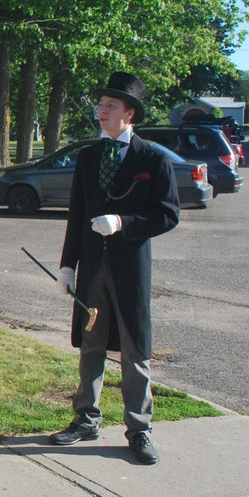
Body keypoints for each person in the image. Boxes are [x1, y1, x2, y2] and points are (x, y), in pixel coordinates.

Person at [51, 72, 179, 465]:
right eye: (101, 104)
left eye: (110, 106)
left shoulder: (152, 158)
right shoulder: (89, 156)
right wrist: (67, 265)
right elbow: (77, 214)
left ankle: (139, 428)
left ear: (130, 113)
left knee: (133, 348)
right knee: (91, 342)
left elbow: (167, 215)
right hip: (92, 267)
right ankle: (86, 418)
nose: (101, 110)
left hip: (128, 268)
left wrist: (123, 223)